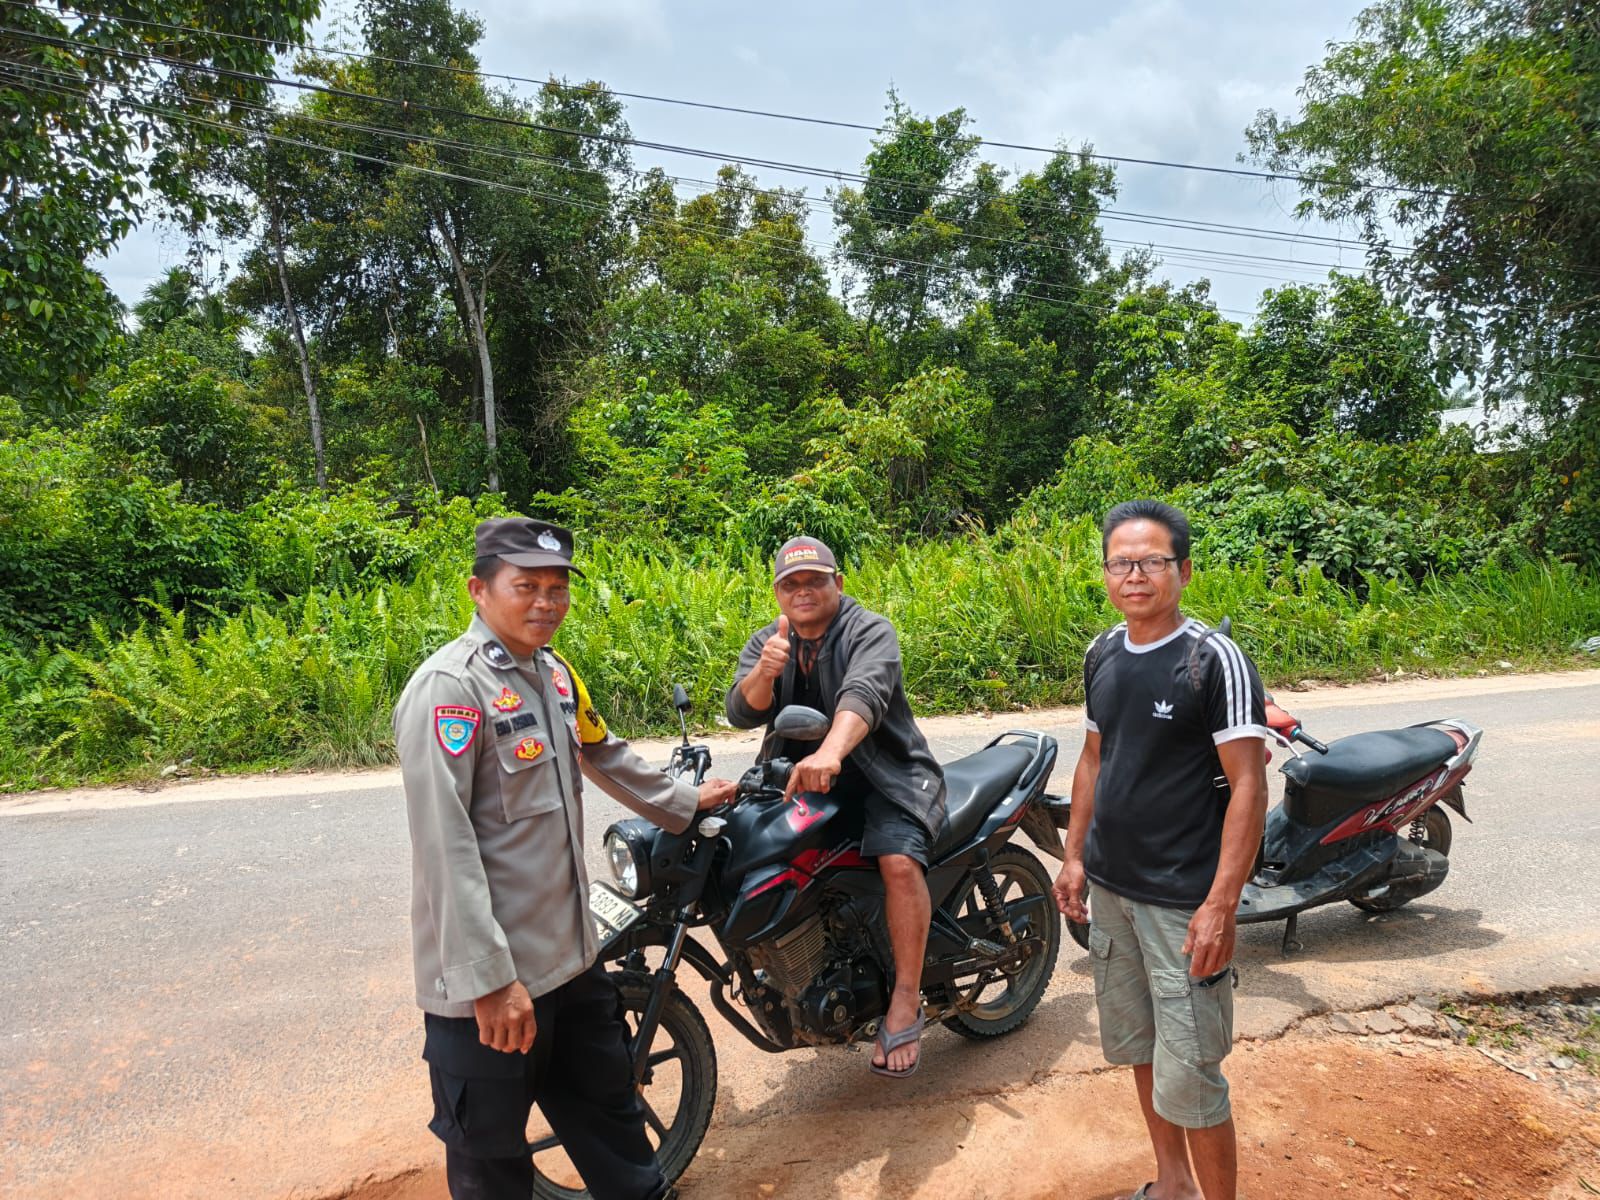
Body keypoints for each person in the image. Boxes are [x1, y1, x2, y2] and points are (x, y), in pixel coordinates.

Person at [393, 517, 736, 1200]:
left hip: (572, 966)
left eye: (557, 588)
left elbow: (603, 752)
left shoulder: (552, 675)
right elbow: (445, 844)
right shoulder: (450, 691)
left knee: (614, 1129)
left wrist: (686, 801)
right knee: (493, 1164)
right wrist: (490, 981)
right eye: (526, 586)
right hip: (493, 988)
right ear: (479, 590)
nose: (546, 602)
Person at [1052, 501, 1270, 1200]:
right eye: (1121, 562)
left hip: (1183, 902)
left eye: (1151, 561)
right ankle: (1172, 1184)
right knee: (1141, 1048)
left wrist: (1221, 905)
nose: (1135, 575)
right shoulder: (1103, 652)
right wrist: (1075, 856)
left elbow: (1249, 788)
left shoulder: (1214, 660)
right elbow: (1093, 760)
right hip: (1113, 891)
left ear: (1183, 570)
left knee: (1194, 1071)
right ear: (1108, 572)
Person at [725, 536, 947, 1078]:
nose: (803, 592)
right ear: (778, 592)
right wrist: (764, 673)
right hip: (802, 783)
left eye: (814, 581)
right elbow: (740, 711)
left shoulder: (868, 630)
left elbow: (864, 693)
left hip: (887, 778)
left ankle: (905, 998)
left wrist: (829, 752)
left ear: (837, 584)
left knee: (897, 862)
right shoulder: (769, 640)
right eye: (791, 584)